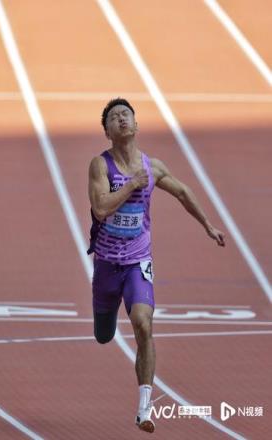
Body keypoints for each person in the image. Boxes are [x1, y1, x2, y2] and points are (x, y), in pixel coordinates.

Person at [87, 98, 224, 433]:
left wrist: (207, 225)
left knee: (143, 324)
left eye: (126, 115)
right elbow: (101, 209)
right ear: (107, 132)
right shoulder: (100, 166)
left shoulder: (153, 167)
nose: (121, 119)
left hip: (138, 261)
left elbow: (183, 191)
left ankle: (144, 408)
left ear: (136, 125)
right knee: (103, 335)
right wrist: (131, 185)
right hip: (107, 265)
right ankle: (105, 318)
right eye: (114, 117)